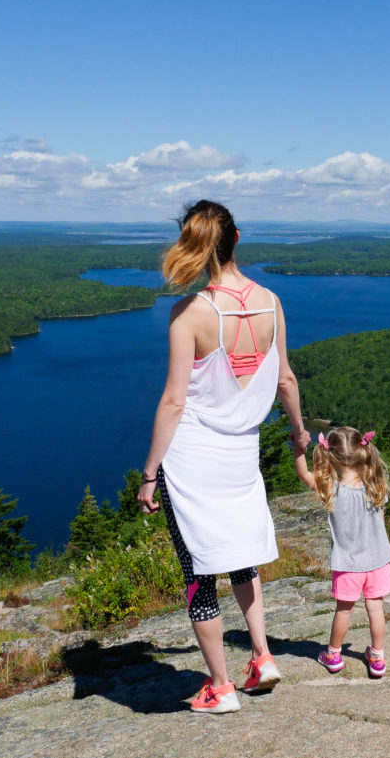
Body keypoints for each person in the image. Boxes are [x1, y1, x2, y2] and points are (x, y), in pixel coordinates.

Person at [137, 199, 310, 714]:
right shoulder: (271, 301)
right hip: (241, 456)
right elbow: (284, 379)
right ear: (237, 239)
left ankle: (220, 685)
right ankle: (261, 657)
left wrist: (149, 476)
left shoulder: (188, 314)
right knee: (240, 557)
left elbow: (173, 402)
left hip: (191, 463)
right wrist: (298, 433)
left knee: (197, 572)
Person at [293, 426, 390, 678]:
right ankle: (377, 657)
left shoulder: (332, 489)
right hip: (378, 560)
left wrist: (298, 450)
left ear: (332, 457)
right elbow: (380, 520)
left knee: (344, 610)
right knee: (376, 609)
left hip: (348, 563)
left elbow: (304, 475)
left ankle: (333, 654)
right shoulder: (375, 484)